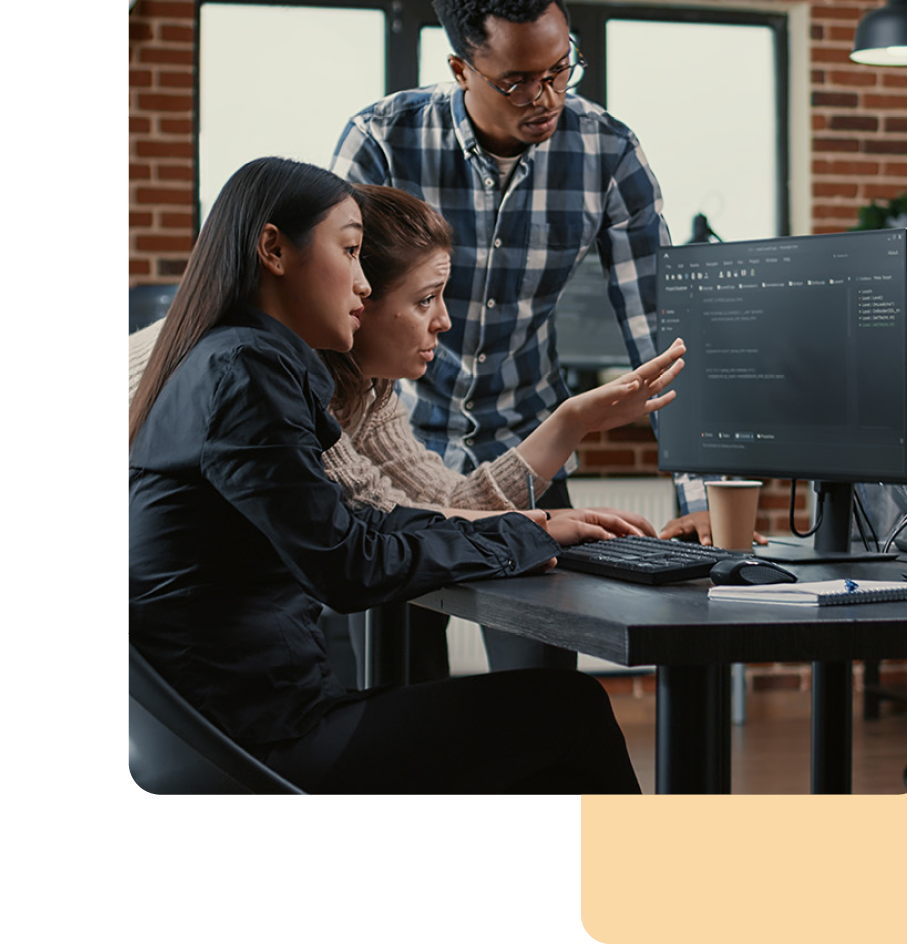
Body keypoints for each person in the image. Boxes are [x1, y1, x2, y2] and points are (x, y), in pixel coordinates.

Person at [128, 156, 649, 794]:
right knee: (572, 711)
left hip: (217, 726)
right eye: (349, 252)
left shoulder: (232, 358)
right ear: (273, 250)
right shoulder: (246, 373)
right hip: (257, 743)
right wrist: (525, 538)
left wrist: (527, 526)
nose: (364, 284)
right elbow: (349, 565)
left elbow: (360, 521)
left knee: (535, 721)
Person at [329, 0, 721, 672]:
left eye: (559, 69)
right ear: (460, 70)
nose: (546, 98)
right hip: (394, 456)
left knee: (542, 692)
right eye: (517, 81)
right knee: (395, 691)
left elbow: (657, 329)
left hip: (527, 447)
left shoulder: (608, 153)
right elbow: (332, 316)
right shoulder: (383, 140)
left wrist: (698, 493)